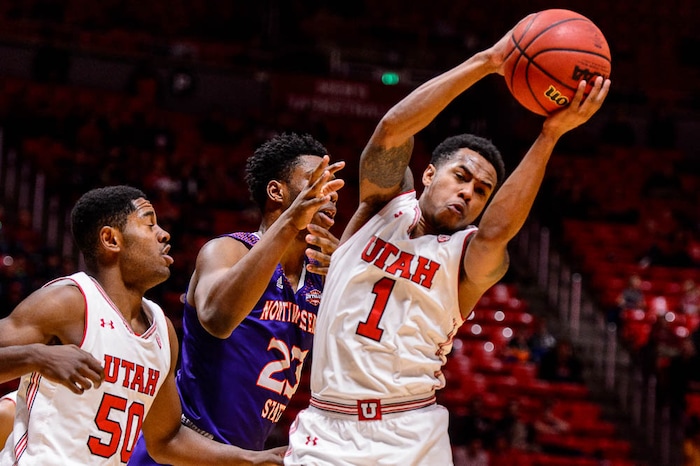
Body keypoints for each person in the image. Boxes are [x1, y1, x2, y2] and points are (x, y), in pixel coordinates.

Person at [284, 23, 610, 465]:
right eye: (461, 176)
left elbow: (497, 231)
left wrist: (549, 135)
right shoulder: (380, 208)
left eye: (482, 191)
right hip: (326, 427)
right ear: (430, 174)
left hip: (411, 434)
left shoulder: (469, 258)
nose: (468, 194)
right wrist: (489, 61)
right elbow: (390, 134)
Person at [0, 185, 285, 465]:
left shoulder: (162, 330)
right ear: (111, 239)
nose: (164, 234)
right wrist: (36, 356)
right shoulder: (70, 301)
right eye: (150, 225)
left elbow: (167, 439)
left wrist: (251, 459)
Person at [129, 133, 344, 464]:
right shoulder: (228, 249)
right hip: (182, 447)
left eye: (334, 189)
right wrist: (289, 224)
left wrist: (350, 272)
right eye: (317, 184)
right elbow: (218, 318)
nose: (329, 197)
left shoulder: (321, 275)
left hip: (240, 455)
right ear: (277, 192)